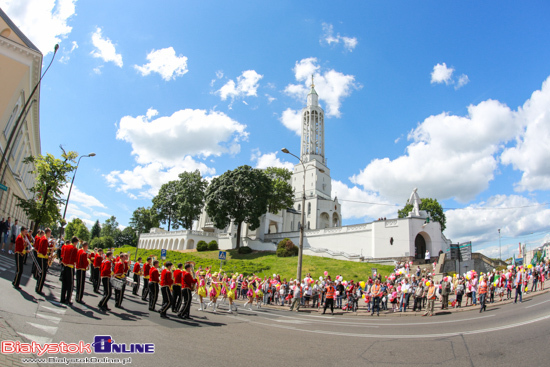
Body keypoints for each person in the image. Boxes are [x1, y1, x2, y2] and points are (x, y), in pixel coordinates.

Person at [60, 237, 78, 305]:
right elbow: (75, 259)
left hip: (64, 265)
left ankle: (62, 299)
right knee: (70, 285)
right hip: (70, 266)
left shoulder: (66, 246)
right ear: (75, 242)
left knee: (64, 283)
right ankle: (68, 299)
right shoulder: (74, 249)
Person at [35, 228, 52, 295]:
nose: (50, 234)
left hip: (40, 256)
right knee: (43, 274)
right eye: (50, 233)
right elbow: (43, 251)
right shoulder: (45, 239)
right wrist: (49, 256)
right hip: (42, 257)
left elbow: (43, 248)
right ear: (47, 233)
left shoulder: (43, 238)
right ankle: (39, 289)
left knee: (41, 274)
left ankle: (37, 287)